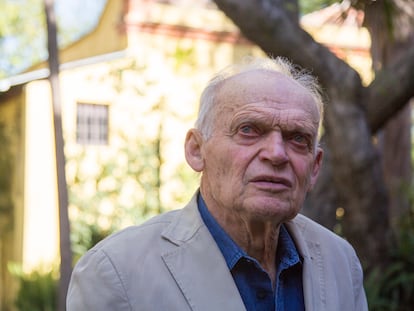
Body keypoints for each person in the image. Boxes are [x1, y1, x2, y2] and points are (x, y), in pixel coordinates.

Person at [67, 57, 368, 311]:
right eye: (249, 129)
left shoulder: (340, 260)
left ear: (314, 167)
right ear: (197, 150)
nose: (276, 154)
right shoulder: (115, 272)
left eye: (297, 138)